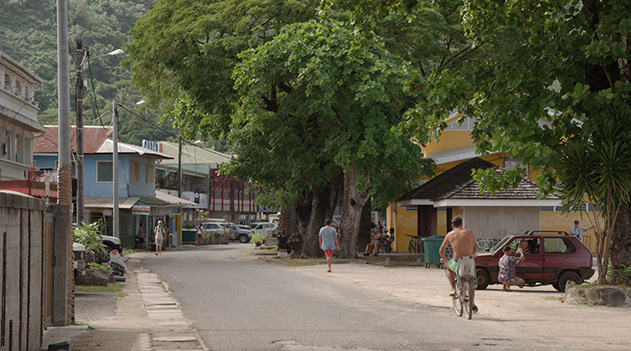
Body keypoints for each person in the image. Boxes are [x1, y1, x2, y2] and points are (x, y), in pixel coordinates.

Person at [439, 216, 479, 313]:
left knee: (449, 268)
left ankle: (453, 289)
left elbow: (441, 249)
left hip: (457, 261)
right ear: (462, 224)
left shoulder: (450, 234)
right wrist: (473, 253)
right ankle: (472, 302)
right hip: (469, 260)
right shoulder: (469, 232)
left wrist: (444, 259)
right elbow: (475, 246)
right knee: (470, 280)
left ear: (453, 225)